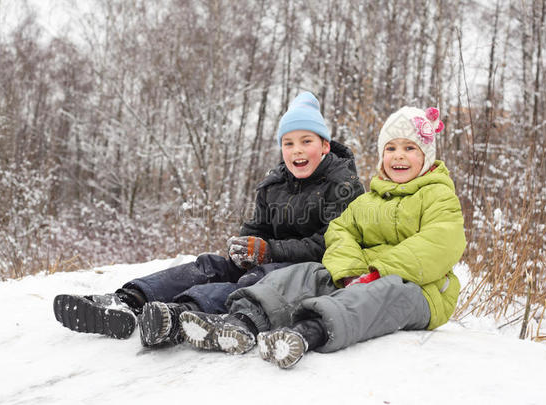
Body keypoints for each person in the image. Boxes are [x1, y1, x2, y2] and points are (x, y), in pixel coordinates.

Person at [53, 91, 365, 348]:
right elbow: (256, 228)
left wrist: (269, 252)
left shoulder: (342, 185)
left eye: (306, 141)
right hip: (270, 258)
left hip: (310, 270)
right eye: (289, 143)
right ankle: (127, 300)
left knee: (255, 279)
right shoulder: (274, 184)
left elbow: (330, 244)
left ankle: (181, 313)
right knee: (212, 265)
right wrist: (245, 247)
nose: (297, 150)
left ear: (324, 145)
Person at [179, 106, 467, 368]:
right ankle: (242, 322)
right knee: (307, 273)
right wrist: (352, 271)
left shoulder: (438, 195)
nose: (399, 155)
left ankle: (306, 333)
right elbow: (340, 231)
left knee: (386, 292)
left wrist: (379, 272)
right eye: (391, 148)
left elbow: (440, 242)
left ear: (427, 156)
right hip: (359, 276)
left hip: (423, 290)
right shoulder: (370, 200)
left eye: (410, 148)